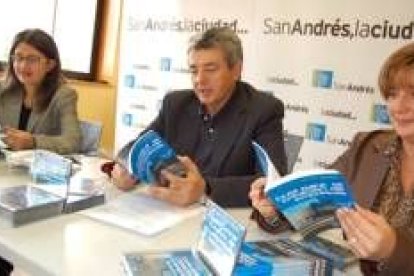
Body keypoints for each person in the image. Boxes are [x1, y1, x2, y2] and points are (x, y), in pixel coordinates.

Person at [250, 42, 414, 275]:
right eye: (392, 94)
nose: (398, 107)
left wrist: (393, 250)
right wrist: (275, 209)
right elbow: (313, 206)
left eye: (413, 94)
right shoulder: (368, 146)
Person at [111, 26, 287, 207]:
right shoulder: (176, 104)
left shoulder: (263, 110)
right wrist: (124, 167)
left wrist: (206, 188)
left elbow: (272, 182)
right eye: (194, 70)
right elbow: (137, 147)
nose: (199, 80)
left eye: (210, 69)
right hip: (169, 212)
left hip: (226, 219)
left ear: (236, 70)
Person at [0, 28, 81, 154]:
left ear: (50, 65)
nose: (22, 66)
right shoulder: (3, 90)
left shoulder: (64, 95)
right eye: (18, 57)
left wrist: (33, 142)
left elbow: (72, 142)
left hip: (38, 170)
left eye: (32, 59)